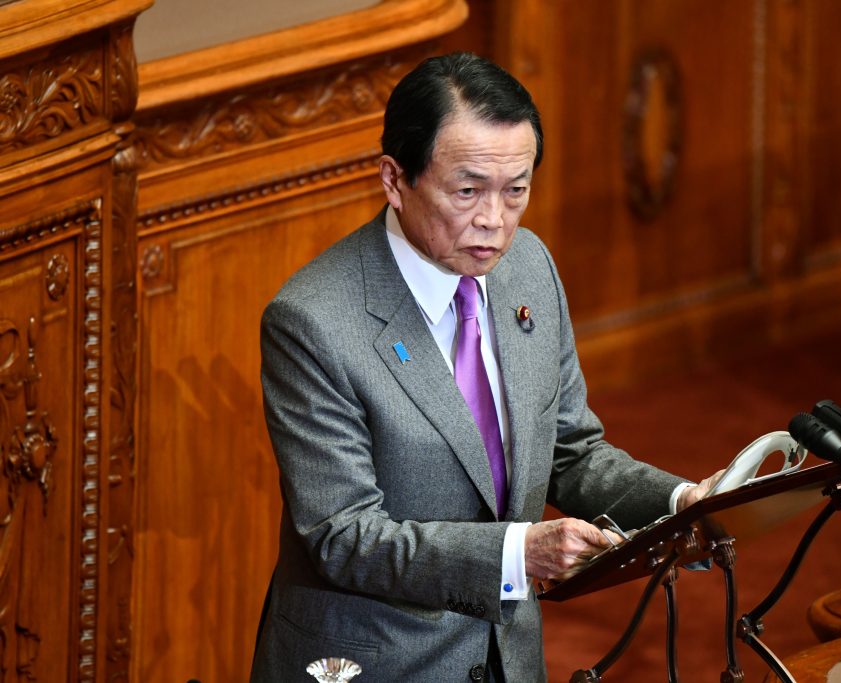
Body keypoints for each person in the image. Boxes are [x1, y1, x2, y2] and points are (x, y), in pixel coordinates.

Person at [250, 52, 721, 682]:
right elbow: (345, 536)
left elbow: (570, 450)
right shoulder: (313, 322)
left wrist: (681, 501)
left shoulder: (528, 266)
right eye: (468, 190)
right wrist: (516, 554)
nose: (495, 222)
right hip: (379, 658)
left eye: (516, 190)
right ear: (395, 179)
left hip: (507, 658)